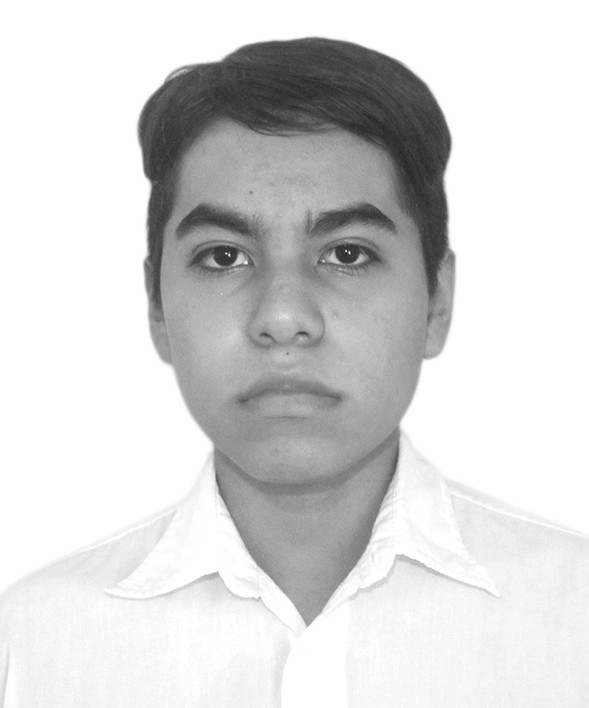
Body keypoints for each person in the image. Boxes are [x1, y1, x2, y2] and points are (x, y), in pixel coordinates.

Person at [1, 37, 587, 707]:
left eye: (347, 253)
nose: (282, 318)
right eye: (224, 256)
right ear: (157, 306)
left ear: (437, 301)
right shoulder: (34, 644)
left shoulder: (573, 620)